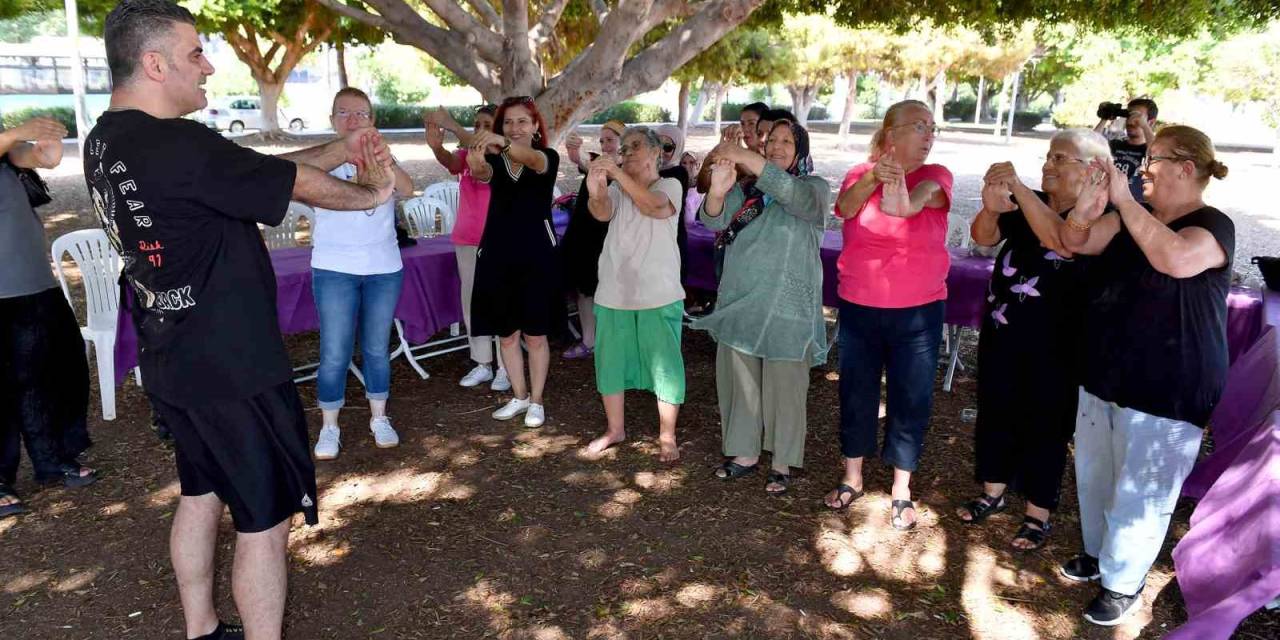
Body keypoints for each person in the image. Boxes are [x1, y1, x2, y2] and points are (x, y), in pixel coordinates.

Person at [85, 2, 396, 638]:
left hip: (172, 358)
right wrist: (374, 192)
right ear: (154, 62)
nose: (208, 65)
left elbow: (263, 175)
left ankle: (201, 628)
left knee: (200, 492)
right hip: (234, 365)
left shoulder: (106, 138)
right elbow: (301, 188)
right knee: (264, 515)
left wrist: (344, 146)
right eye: (195, 52)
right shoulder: (178, 142)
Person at [1057, 125, 1232, 626]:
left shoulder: (1212, 226)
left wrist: (1123, 201)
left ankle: (1123, 583)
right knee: (1096, 475)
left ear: (1186, 168)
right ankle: (1099, 554)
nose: (1142, 168)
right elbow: (1077, 243)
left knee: (1142, 491)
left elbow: (1174, 258)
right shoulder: (1135, 219)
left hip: (1169, 386)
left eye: (1153, 159)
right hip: (1107, 374)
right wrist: (1084, 212)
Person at [957, 129, 1113, 551]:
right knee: (996, 409)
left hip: (1060, 346)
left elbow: (1061, 242)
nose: (1049, 164)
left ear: (1093, 170)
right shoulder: (1032, 204)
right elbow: (985, 237)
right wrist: (991, 209)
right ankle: (993, 490)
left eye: (1060, 158)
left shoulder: (1102, 217)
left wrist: (1021, 191)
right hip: (1005, 333)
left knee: (1047, 423)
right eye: (1048, 155)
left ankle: (1038, 512)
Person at [827, 100, 952, 530]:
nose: (929, 135)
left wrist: (899, 191)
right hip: (861, 307)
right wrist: (874, 179)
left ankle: (901, 488)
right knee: (856, 392)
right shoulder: (858, 175)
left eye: (932, 128)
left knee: (910, 397)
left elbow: (915, 203)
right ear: (889, 134)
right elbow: (844, 208)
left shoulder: (937, 176)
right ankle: (853, 476)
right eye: (919, 127)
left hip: (918, 312)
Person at [695, 121, 829, 495]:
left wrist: (741, 154)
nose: (777, 147)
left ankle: (783, 461)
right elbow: (714, 220)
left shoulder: (813, 189)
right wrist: (718, 193)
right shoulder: (747, 190)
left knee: (786, 385)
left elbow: (791, 194)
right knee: (739, 382)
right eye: (772, 142)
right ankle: (743, 453)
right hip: (742, 302)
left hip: (788, 308)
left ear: (801, 150)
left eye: (788, 142)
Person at [310, 88, 415, 461]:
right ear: (332, 120)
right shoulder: (321, 160)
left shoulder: (383, 154)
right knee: (334, 352)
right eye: (344, 113)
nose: (353, 121)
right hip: (334, 267)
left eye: (361, 114)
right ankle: (329, 426)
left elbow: (407, 188)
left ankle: (379, 418)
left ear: (372, 121)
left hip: (383, 268)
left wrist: (383, 160)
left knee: (375, 348)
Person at [1, 115, 96, 520]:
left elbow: (33, 157)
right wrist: (17, 133)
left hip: (33, 283)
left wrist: (46, 147)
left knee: (49, 374)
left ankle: (52, 458)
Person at [580, 127, 686, 462]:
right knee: (609, 362)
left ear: (657, 153)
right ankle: (615, 429)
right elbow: (600, 212)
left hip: (659, 292)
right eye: (623, 148)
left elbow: (654, 206)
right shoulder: (620, 187)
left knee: (666, 366)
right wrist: (596, 188)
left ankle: (667, 435)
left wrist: (614, 173)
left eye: (635, 146)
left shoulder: (671, 184)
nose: (626, 153)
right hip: (614, 291)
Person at [467, 96, 561, 429]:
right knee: (506, 335)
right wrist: (476, 158)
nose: (515, 128)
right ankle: (519, 396)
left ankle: (536, 401)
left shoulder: (546, 157)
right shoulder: (499, 161)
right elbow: (482, 174)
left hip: (537, 257)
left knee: (535, 336)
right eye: (508, 122)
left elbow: (530, 158)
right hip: (497, 255)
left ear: (536, 126)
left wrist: (500, 141)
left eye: (522, 121)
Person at [425, 105, 512, 391]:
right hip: (466, 238)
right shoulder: (467, 154)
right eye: (476, 124)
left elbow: (481, 150)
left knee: (500, 303)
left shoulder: (504, 156)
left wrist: (450, 123)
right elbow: (450, 161)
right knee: (473, 303)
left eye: (486, 124)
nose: (479, 129)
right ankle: (483, 363)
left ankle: (506, 366)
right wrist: (436, 147)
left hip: (499, 239)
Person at [559, 119, 625, 360]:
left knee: (608, 291)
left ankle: (612, 342)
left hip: (607, 237)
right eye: (602, 140)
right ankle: (589, 340)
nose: (605, 145)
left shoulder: (627, 168)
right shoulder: (595, 161)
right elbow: (584, 163)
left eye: (610, 140)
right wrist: (575, 155)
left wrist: (583, 161)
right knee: (583, 291)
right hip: (582, 234)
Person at [1093, 98, 1157, 202]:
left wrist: (1144, 126)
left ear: (1151, 122)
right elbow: (1089, 145)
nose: (1131, 121)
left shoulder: (1148, 149)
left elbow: (1157, 152)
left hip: (1132, 207)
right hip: (1103, 202)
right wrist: (1104, 119)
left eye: (1137, 117)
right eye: (1129, 115)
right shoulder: (1114, 145)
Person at [679, 151, 703, 224]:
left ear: (698, 165)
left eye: (691, 162)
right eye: (684, 163)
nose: (687, 166)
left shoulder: (704, 185)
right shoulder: (677, 184)